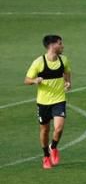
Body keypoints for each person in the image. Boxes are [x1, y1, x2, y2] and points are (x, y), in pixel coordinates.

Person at [24, 35, 72, 169]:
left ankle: (54, 147)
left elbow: (67, 72)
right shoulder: (39, 62)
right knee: (45, 130)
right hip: (43, 103)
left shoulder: (64, 60)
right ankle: (46, 156)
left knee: (59, 128)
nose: (62, 46)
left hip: (59, 100)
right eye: (60, 44)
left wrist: (68, 83)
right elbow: (26, 80)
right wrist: (35, 81)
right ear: (52, 46)